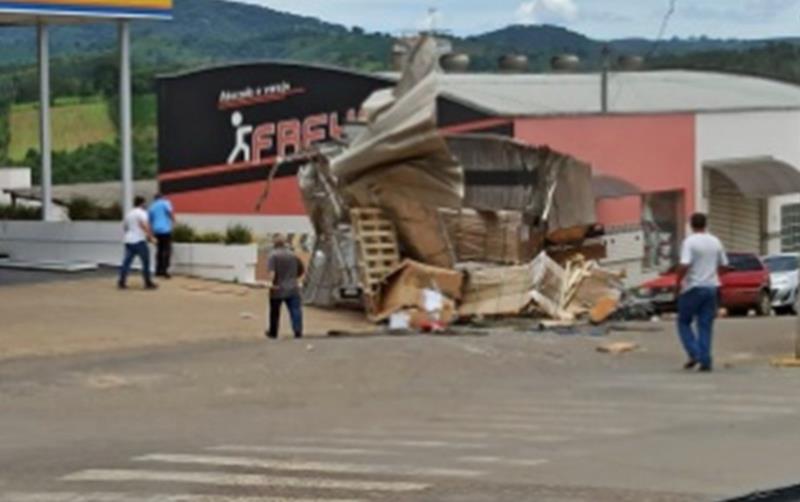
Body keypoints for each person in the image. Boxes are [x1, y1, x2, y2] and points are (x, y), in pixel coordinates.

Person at [675, 213, 728, 372]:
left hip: (693, 287)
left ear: (691, 225)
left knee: (683, 322)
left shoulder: (689, 242)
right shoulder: (715, 241)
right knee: (705, 325)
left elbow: (684, 264)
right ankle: (705, 359)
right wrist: (713, 274)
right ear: (706, 224)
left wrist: (678, 282)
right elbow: (725, 265)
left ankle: (695, 353)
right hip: (711, 288)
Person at [266, 234, 304, 339]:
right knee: (295, 310)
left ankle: (273, 332)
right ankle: (297, 331)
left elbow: (272, 272)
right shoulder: (293, 255)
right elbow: (301, 269)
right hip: (293, 287)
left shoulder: (273, 255)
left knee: (275, 312)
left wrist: (271, 283)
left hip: (278, 288)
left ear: (274, 243)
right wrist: (293, 278)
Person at [118, 196, 157, 290]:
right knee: (145, 262)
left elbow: (125, 227)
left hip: (129, 240)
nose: (146, 205)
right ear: (142, 203)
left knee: (126, 262)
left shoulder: (129, 214)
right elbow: (144, 225)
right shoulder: (142, 213)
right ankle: (147, 283)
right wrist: (151, 237)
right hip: (139, 240)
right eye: (145, 203)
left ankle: (122, 282)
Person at [148, 193, 175, 279]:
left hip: (156, 231)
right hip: (165, 230)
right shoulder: (165, 203)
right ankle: (165, 270)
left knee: (159, 250)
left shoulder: (151, 207)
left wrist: (151, 233)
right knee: (167, 250)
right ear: (161, 197)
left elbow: (150, 221)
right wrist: (173, 221)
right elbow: (169, 213)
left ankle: (158, 270)